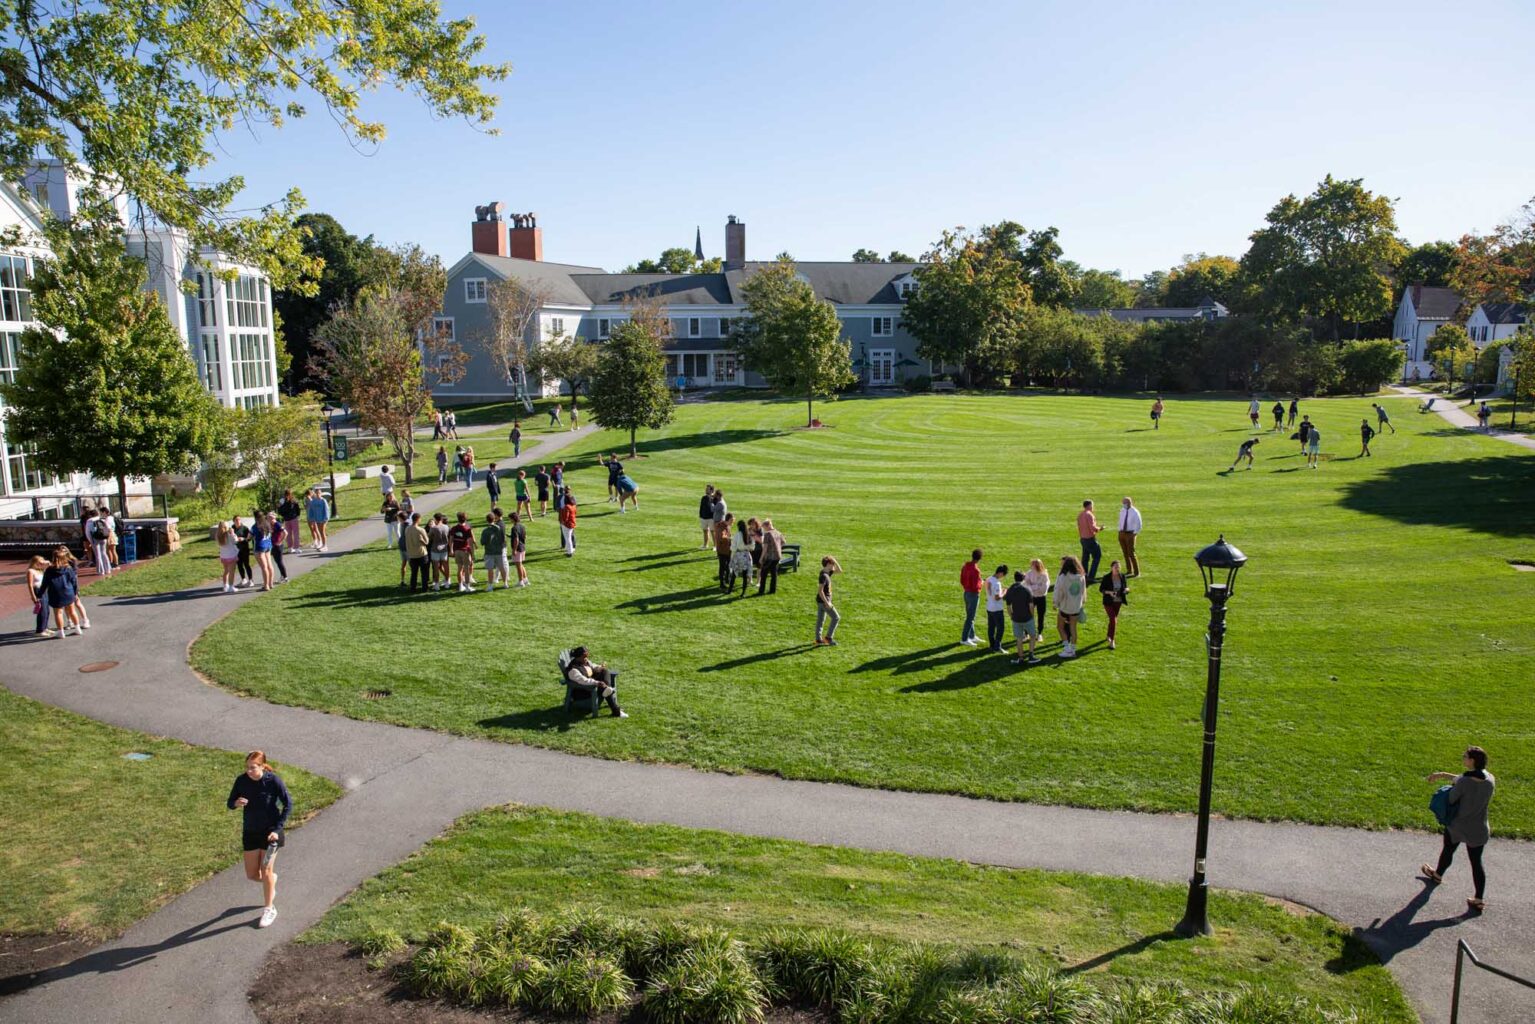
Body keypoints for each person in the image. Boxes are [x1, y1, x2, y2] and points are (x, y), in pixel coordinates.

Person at [1421, 746, 1495, 913]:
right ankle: (1478, 899)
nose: (1463, 758)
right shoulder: (1490, 779)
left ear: (1472, 761)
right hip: (1479, 828)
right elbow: (1463, 779)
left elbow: (1453, 797)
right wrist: (1442, 775)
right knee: (1477, 863)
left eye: (1465, 756)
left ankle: (1438, 875)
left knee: (1448, 849)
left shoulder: (1464, 782)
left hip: (1458, 825)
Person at [227, 750, 291, 929]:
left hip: (271, 833)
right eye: (247, 767)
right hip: (251, 832)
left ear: (262, 766)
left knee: (266, 870)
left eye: (253, 768)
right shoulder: (241, 781)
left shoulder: (273, 781)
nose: (249, 771)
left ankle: (269, 908)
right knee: (253, 875)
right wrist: (236, 803)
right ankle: (271, 881)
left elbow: (288, 804)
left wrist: (277, 829)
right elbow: (230, 802)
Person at [564, 646, 627, 717]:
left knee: (604, 671)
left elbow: (592, 666)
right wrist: (597, 683)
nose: (586, 659)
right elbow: (584, 681)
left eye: (587, 656)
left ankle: (607, 689)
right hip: (583, 691)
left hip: (591, 685)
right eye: (584, 657)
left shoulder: (584, 661)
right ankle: (616, 710)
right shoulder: (573, 670)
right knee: (604, 688)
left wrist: (600, 667)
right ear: (578, 657)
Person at [42, 546, 83, 637]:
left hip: (55, 593)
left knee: (58, 613)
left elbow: (45, 583)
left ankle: (61, 632)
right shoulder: (68, 568)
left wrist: (40, 594)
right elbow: (73, 581)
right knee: (72, 611)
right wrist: (76, 592)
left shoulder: (49, 570)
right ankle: (78, 628)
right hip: (68, 591)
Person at [1004, 570, 1040, 664]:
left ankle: (1020, 658)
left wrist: (1012, 616)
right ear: (1023, 579)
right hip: (1027, 617)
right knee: (1032, 636)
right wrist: (1032, 616)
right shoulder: (1027, 590)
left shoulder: (1010, 590)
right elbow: (1031, 606)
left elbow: (1008, 607)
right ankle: (1031, 656)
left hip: (1016, 618)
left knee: (1019, 639)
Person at [1053, 556, 1086, 658]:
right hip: (1076, 607)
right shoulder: (1081, 576)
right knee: (1073, 629)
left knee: (1060, 627)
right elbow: (1083, 591)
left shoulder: (1062, 577)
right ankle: (1073, 651)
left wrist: (1055, 603)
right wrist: (1082, 602)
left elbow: (1059, 592)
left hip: (1065, 607)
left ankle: (1067, 649)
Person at [1099, 560, 1128, 650]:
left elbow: (1125, 587)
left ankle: (1108, 635)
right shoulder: (1106, 577)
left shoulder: (1122, 576)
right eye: (1115, 567)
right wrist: (1109, 592)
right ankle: (1112, 641)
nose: (1117, 569)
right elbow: (1101, 589)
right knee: (1113, 619)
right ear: (1111, 568)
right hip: (1108, 602)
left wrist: (1127, 590)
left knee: (1112, 620)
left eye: (1119, 567)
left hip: (1118, 602)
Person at [815, 556, 842, 646]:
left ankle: (818, 639)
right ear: (828, 564)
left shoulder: (827, 572)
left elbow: (839, 571)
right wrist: (827, 603)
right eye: (832, 563)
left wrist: (835, 560)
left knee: (820, 620)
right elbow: (820, 591)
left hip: (820, 602)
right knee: (836, 618)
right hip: (824, 602)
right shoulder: (823, 576)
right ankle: (828, 638)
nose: (833, 565)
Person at [959, 549, 984, 646]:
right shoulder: (976, 570)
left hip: (966, 593)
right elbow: (976, 586)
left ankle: (972, 636)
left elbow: (962, 579)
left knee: (970, 615)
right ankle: (964, 639)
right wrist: (981, 583)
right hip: (973, 595)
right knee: (970, 617)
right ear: (980, 558)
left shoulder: (965, 566)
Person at [449, 511, 477, 591]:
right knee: (467, 569)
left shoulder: (454, 528)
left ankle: (460, 586)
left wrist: (451, 550)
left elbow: (450, 540)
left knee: (459, 569)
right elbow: (470, 542)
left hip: (456, 551)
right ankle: (468, 587)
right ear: (465, 519)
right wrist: (473, 554)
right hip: (465, 551)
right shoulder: (467, 529)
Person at [26, 554, 52, 637]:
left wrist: (46, 562)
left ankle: (45, 627)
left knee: (47, 610)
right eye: (40, 562)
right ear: (35, 562)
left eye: (42, 562)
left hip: (44, 590)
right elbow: (30, 585)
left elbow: (50, 566)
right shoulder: (30, 571)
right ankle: (40, 630)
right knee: (42, 610)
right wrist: (33, 596)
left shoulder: (41, 570)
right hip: (37, 590)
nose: (41, 564)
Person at [481, 511, 509, 591]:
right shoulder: (500, 528)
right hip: (499, 551)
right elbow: (503, 539)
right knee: (502, 568)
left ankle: (490, 586)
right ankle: (505, 584)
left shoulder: (485, 531)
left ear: (487, 520)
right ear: (494, 519)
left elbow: (482, 542)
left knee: (490, 570)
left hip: (489, 552)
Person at [1115, 496, 1142, 577]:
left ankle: (1136, 572)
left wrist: (1134, 534)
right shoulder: (1122, 510)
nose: (1123, 504)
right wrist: (1119, 531)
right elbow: (1120, 521)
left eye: (1125, 503)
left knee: (1131, 553)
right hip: (1122, 533)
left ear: (1130, 503)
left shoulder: (1135, 512)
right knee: (1125, 553)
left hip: (1130, 534)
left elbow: (1139, 524)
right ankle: (1129, 570)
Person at [984, 564, 1009, 653]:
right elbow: (997, 597)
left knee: (991, 627)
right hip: (997, 609)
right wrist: (1004, 592)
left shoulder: (988, 579)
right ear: (1001, 573)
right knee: (1000, 628)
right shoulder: (997, 583)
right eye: (1003, 575)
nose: (1003, 577)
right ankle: (997, 647)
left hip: (989, 607)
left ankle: (992, 645)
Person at [1077, 500, 1103, 581]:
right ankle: (1091, 577)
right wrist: (1100, 528)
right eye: (1092, 505)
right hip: (1090, 539)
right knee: (1097, 556)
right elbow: (1093, 528)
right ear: (1089, 505)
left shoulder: (1080, 515)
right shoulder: (1089, 515)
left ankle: (1084, 575)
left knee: (1085, 558)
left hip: (1083, 539)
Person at [1023, 558, 1050, 636]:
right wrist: (1037, 586)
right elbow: (1026, 586)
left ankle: (1039, 633)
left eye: (1033, 566)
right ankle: (1026, 633)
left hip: (1041, 598)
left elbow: (1043, 590)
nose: (1032, 567)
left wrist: (1032, 586)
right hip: (1031, 597)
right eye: (1032, 565)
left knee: (1041, 616)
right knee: (1028, 615)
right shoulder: (1029, 573)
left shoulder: (1044, 575)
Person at [405, 512, 431, 592]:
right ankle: (424, 588)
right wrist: (422, 540)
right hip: (422, 554)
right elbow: (427, 542)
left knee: (414, 573)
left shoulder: (407, 529)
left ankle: (413, 588)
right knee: (424, 573)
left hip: (412, 555)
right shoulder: (421, 530)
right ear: (418, 519)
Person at [729, 518, 755, 596]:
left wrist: (732, 556)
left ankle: (729, 590)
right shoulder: (749, 535)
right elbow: (752, 547)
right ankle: (743, 593)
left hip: (738, 555)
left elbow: (733, 547)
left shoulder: (737, 535)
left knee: (734, 574)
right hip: (747, 556)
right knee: (744, 576)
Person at [758, 518, 783, 595]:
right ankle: (772, 590)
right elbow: (783, 542)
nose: (764, 530)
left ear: (768, 525)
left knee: (763, 573)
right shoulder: (778, 533)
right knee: (774, 573)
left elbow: (765, 548)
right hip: (777, 556)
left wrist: (761, 558)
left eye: (764, 528)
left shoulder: (767, 534)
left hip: (769, 557)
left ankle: (761, 590)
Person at [251, 511, 275, 591]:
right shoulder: (267, 523)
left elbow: (249, 536)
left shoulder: (255, 526)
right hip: (268, 545)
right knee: (269, 565)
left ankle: (266, 586)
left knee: (264, 567)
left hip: (260, 547)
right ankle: (270, 583)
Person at [428, 512, 452, 590]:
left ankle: (437, 585)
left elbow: (429, 538)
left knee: (436, 567)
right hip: (444, 549)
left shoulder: (433, 528)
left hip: (435, 549)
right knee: (446, 566)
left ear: (435, 519)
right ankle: (447, 582)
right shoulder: (446, 527)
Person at [88, 507, 113, 577]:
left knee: (98, 555)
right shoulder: (102, 519)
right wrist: (107, 537)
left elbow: (88, 532)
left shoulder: (90, 521)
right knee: (104, 553)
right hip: (103, 538)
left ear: (90, 515)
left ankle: (101, 571)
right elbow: (109, 528)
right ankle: (108, 569)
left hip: (95, 539)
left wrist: (90, 541)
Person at [217, 520, 240, 593]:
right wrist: (233, 533)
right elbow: (235, 541)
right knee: (231, 572)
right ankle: (231, 586)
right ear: (226, 527)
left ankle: (225, 585)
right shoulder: (229, 534)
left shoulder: (218, 534)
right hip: (231, 555)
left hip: (223, 556)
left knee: (226, 571)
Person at [266, 512, 289, 584]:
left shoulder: (277, 524)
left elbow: (286, 533)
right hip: (272, 545)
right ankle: (282, 576)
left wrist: (280, 541)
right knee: (277, 562)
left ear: (274, 518)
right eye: (268, 517)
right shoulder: (269, 525)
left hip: (278, 546)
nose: (270, 519)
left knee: (279, 561)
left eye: (271, 517)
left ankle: (285, 577)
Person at [714, 513, 735, 589]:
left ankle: (727, 580)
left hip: (728, 550)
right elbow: (722, 538)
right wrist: (731, 539)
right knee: (722, 567)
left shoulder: (726, 526)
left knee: (728, 566)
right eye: (732, 520)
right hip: (722, 551)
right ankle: (722, 584)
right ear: (729, 519)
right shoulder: (721, 527)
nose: (733, 522)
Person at [278, 490, 302, 555]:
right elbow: (298, 509)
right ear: (291, 494)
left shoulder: (281, 501)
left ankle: (290, 548)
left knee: (288, 534)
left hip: (286, 519)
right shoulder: (293, 500)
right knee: (296, 533)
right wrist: (297, 515)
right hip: (294, 518)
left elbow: (279, 510)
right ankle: (296, 548)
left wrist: (284, 515)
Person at [232, 515, 254, 588]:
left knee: (246, 564)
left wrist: (243, 539)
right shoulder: (232, 529)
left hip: (244, 549)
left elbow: (249, 538)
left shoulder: (245, 528)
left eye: (239, 520)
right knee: (239, 565)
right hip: (236, 550)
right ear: (234, 521)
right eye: (236, 520)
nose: (238, 521)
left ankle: (251, 580)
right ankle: (243, 579)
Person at [509, 511, 529, 587]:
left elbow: (516, 539)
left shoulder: (514, 528)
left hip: (518, 549)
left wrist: (514, 550)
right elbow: (524, 536)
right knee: (521, 565)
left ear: (513, 519)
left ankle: (520, 582)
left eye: (510, 519)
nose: (509, 520)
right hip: (523, 547)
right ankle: (525, 580)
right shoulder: (522, 526)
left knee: (518, 566)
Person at [558, 489, 578, 556]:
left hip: (567, 524)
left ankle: (569, 552)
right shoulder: (574, 506)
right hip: (572, 523)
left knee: (567, 538)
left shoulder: (567, 507)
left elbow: (565, 517)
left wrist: (563, 522)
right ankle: (570, 549)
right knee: (569, 537)